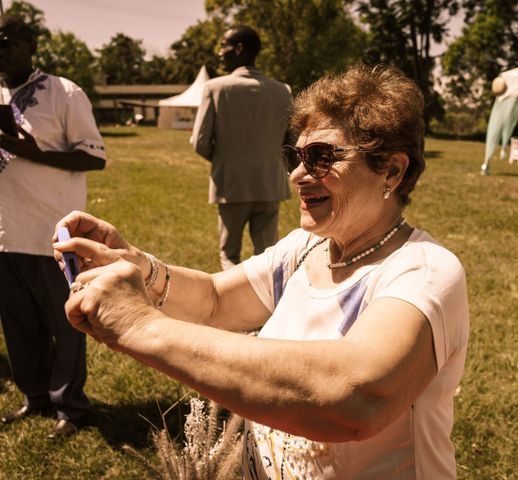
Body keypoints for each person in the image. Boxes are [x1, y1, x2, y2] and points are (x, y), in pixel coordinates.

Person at [54, 65, 469, 478]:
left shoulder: (424, 271)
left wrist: (140, 326)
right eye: (295, 156)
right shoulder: (307, 248)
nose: (296, 175)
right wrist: (136, 264)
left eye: (321, 158)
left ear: (392, 171)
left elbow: (356, 398)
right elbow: (216, 299)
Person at [0, 16, 106, 439]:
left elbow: (94, 157)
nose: (0, 50)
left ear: (31, 44)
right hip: (4, 235)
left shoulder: (64, 92)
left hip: (51, 232)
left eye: (6, 42)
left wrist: (30, 151)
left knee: (66, 324)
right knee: (19, 325)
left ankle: (71, 406)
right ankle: (36, 398)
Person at [191, 25, 292, 270]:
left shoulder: (215, 88)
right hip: (270, 185)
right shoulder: (283, 91)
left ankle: (233, 306)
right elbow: (291, 141)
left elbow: (200, 142)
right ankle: (271, 305)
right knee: (269, 258)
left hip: (231, 185)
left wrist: (226, 159)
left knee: (229, 256)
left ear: (238, 49)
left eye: (223, 45)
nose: (219, 52)